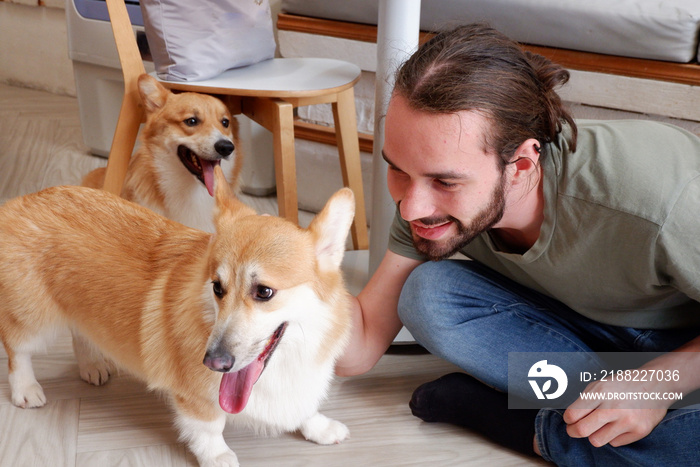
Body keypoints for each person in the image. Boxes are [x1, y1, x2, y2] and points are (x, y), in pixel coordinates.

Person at [335, 23, 700, 465]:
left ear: (522, 164)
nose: (411, 207)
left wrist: (656, 385)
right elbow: (360, 346)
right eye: (399, 170)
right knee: (427, 297)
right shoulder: (426, 201)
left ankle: (531, 427)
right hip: (586, 328)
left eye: (445, 181)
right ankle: (610, 411)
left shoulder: (660, 200)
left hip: (687, 338)